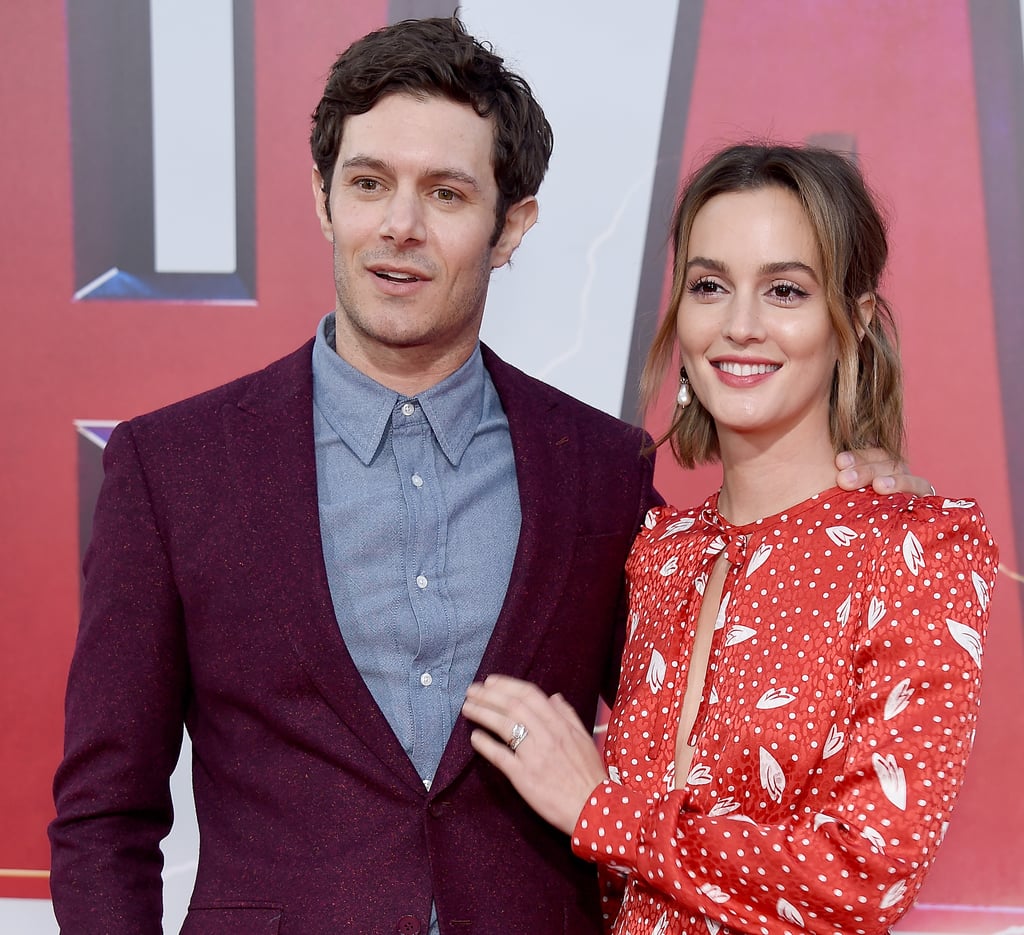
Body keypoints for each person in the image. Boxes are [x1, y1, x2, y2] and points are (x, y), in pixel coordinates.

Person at [48, 16, 931, 934]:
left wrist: (846, 509)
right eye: (368, 184)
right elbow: (105, 814)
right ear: (323, 199)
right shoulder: (173, 467)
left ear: (512, 227)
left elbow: (726, 704)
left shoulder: (602, 472)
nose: (399, 225)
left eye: (446, 194)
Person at [463, 143, 997, 935]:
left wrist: (600, 808)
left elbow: (865, 874)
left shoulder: (919, 552)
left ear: (849, 321)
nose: (740, 325)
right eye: (710, 285)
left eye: (785, 289)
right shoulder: (656, 551)